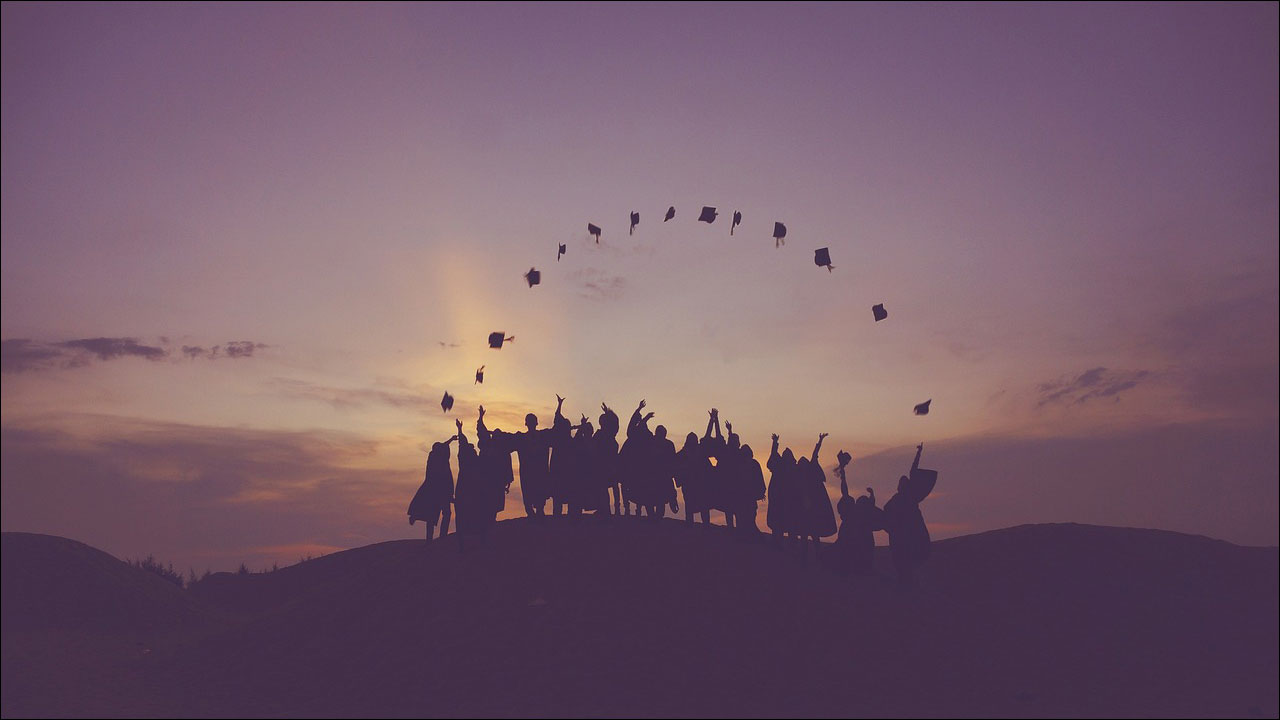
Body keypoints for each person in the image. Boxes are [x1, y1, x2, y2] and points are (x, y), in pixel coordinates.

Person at [882, 443, 934, 588]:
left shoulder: (907, 498)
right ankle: (906, 582)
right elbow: (887, 514)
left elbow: (913, 471)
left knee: (907, 561)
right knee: (903, 562)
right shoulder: (901, 499)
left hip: (908, 535)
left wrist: (918, 453)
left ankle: (908, 582)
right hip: (903, 536)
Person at [835, 450, 881, 576]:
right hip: (850, 545)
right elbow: (845, 490)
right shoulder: (854, 513)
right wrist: (843, 474)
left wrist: (872, 495)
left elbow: (845, 491)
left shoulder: (857, 514)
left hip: (857, 546)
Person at [408, 431, 457, 542]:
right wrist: (451, 439)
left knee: (434, 515)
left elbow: (444, 445)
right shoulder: (437, 460)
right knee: (442, 513)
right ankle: (441, 536)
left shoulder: (434, 457)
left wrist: (451, 439)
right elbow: (444, 446)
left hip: (436, 491)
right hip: (440, 491)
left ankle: (432, 538)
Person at [513, 401, 556, 518]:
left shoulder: (543, 436)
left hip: (539, 472)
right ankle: (533, 513)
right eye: (529, 421)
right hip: (529, 473)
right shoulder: (522, 438)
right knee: (529, 496)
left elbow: (558, 430)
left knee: (538, 496)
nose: (531, 424)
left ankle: (537, 513)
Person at [452, 419, 489, 552]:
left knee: (469, 518)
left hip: (468, 493)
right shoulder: (472, 461)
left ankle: (468, 545)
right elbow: (463, 444)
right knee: (468, 518)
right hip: (468, 493)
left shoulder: (470, 461)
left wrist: (460, 430)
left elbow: (462, 444)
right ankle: (468, 544)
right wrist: (460, 430)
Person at [766, 434, 798, 548]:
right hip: (778, 499)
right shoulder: (779, 467)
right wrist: (774, 444)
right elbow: (773, 457)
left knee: (788, 523)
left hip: (787, 500)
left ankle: (790, 543)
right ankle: (778, 542)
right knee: (778, 522)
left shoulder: (791, 470)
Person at [676, 431, 711, 524]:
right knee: (690, 505)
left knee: (703, 506)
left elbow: (707, 437)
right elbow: (675, 465)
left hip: (700, 484)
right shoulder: (683, 454)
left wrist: (712, 421)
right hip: (689, 484)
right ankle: (690, 524)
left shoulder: (700, 451)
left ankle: (704, 525)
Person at [594, 403, 621, 517]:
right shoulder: (609, 435)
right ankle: (610, 510)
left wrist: (607, 412)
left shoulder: (603, 435)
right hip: (609, 464)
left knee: (605, 487)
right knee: (609, 487)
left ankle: (608, 510)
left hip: (605, 464)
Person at [737, 442, 766, 536]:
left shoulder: (753, 464)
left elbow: (759, 479)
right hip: (743, 496)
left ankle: (750, 535)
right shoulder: (740, 465)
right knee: (744, 517)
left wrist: (760, 491)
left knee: (750, 517)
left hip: (750, 496)